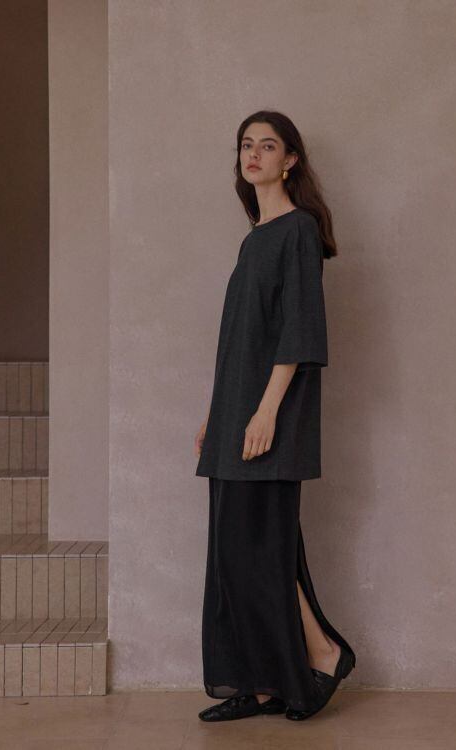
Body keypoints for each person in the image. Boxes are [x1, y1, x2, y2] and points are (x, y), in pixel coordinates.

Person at [194, 110, 356, 722]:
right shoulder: (254, 238)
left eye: (267, 146)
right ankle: (263, 684)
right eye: (246, 145)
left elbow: (298, 331)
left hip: (269, 417)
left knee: (259, 549)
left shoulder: (298, 231)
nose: (253, 154)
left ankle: (323, 652)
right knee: (239, 552)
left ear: (290, 160)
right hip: (235, 416)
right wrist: (216, 413)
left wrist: (264, 413)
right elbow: (238, 342)